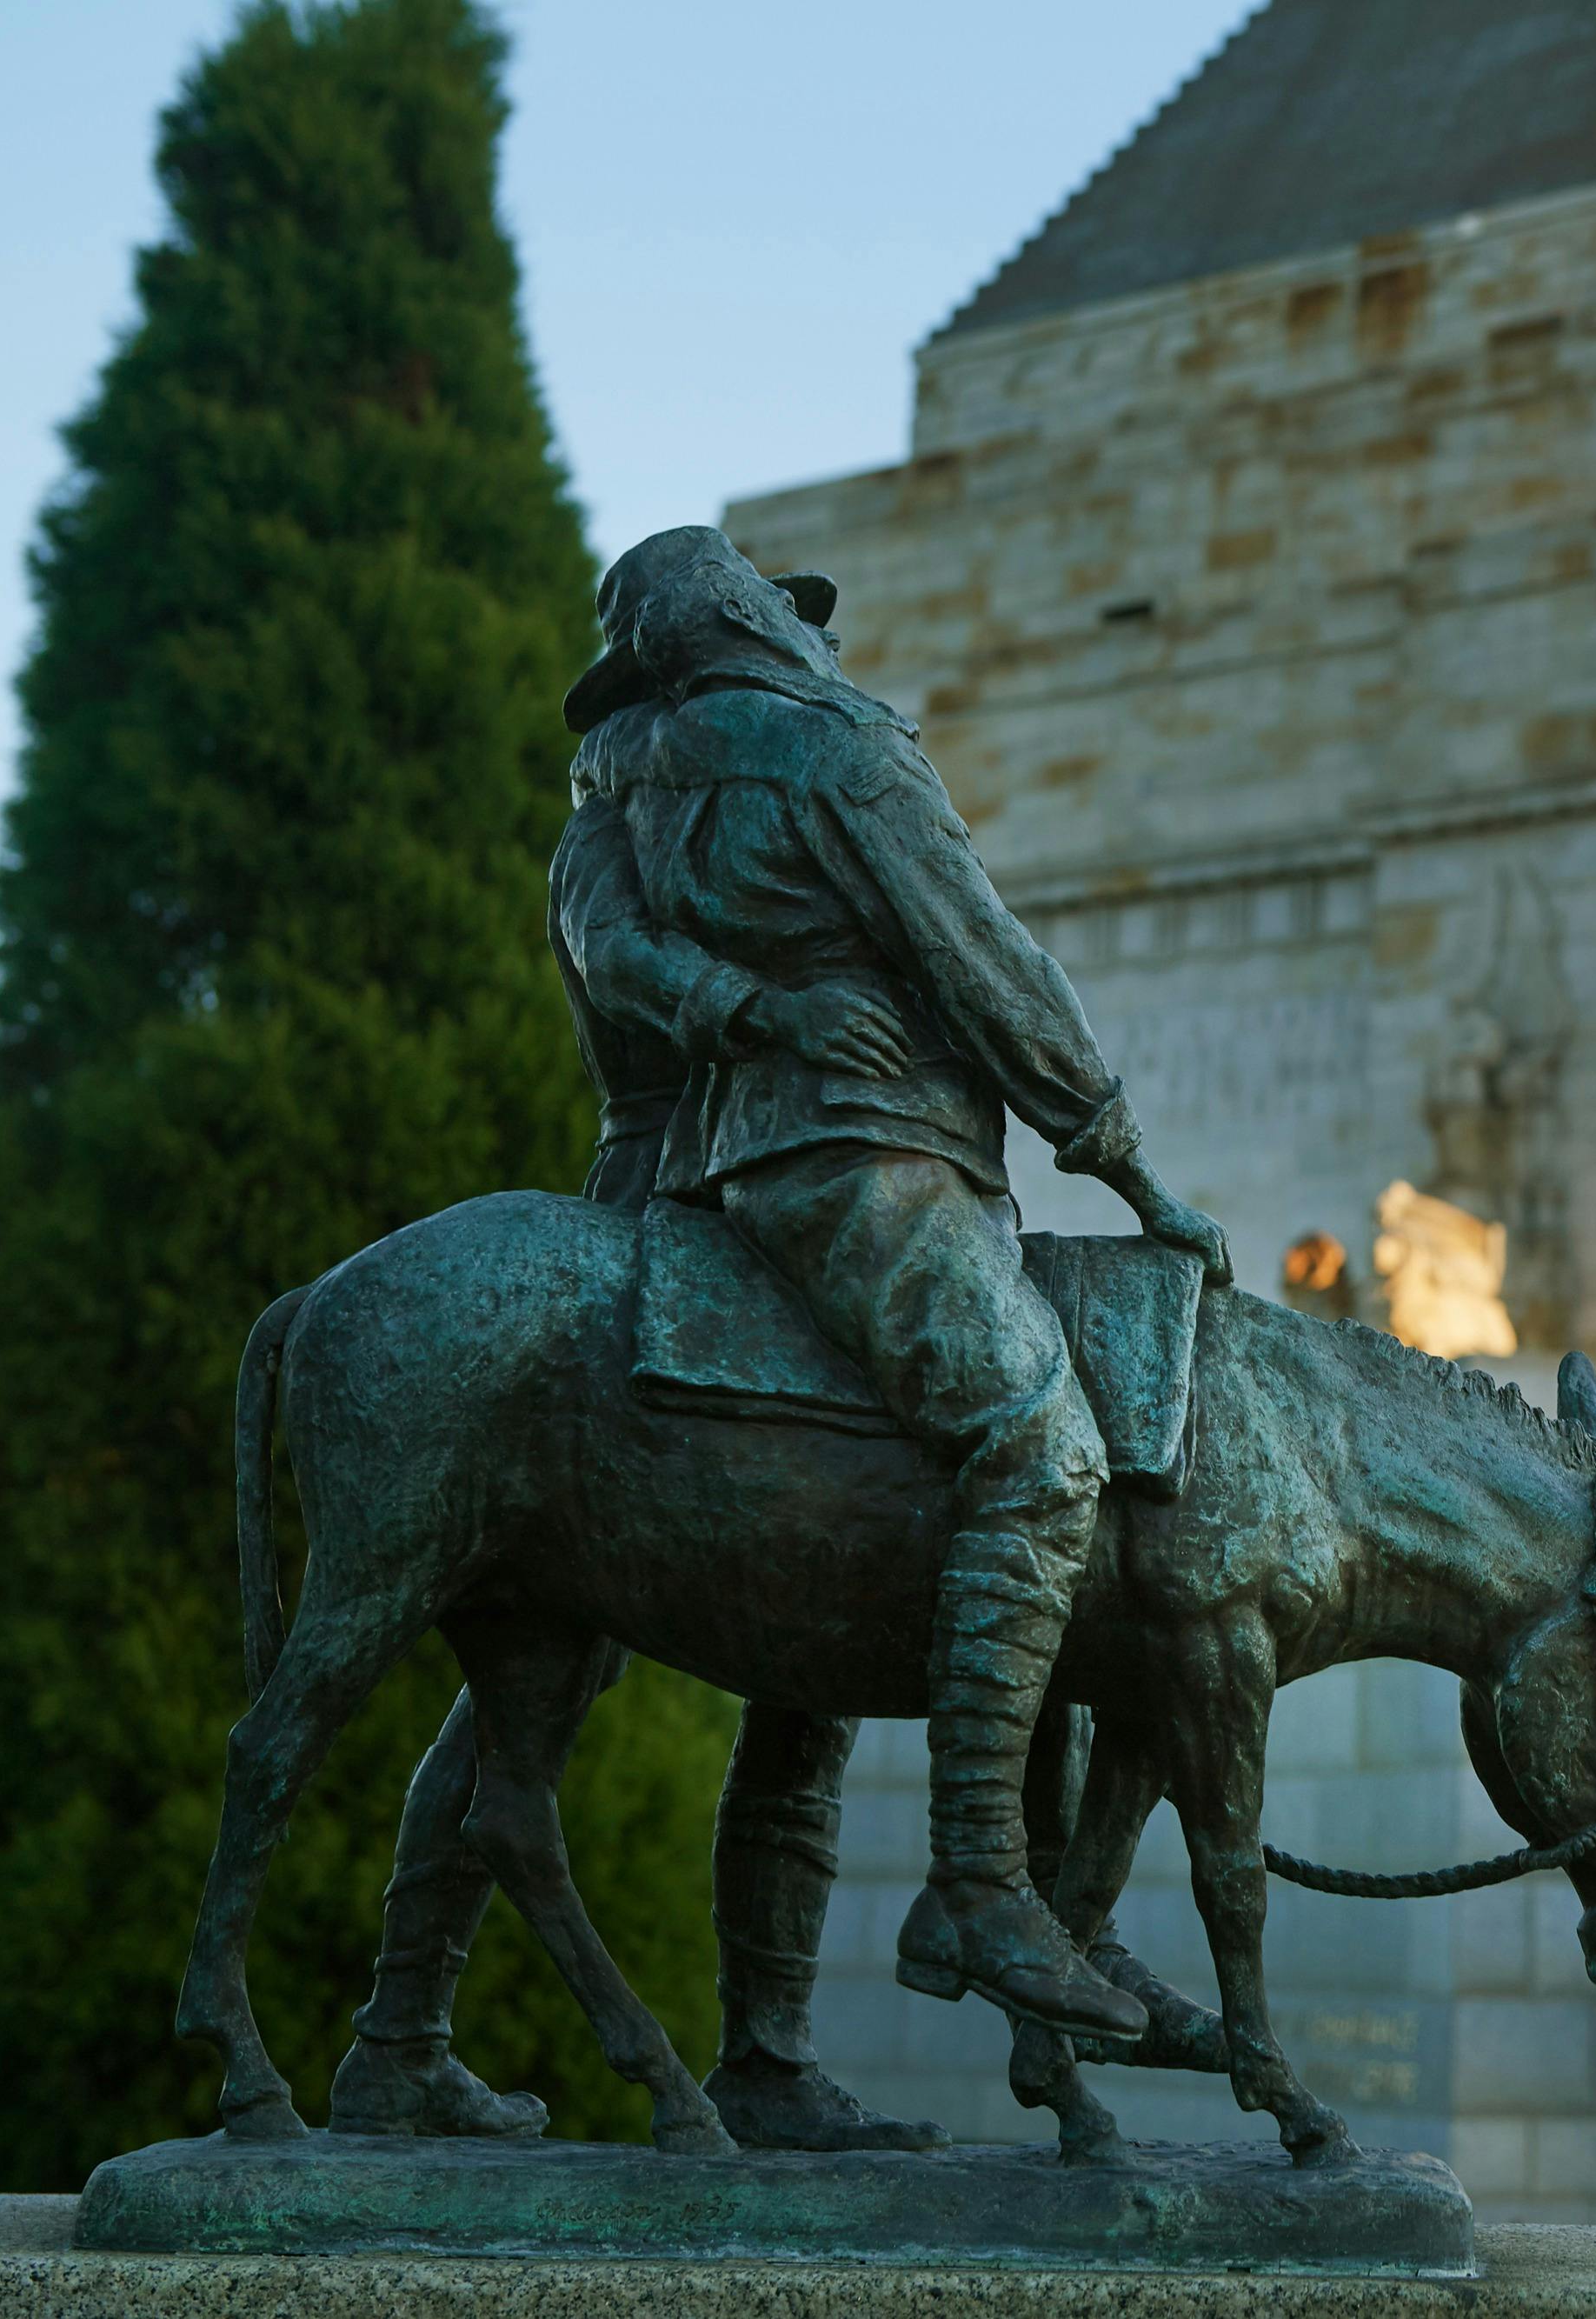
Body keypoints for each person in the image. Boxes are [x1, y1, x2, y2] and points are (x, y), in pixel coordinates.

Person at [565, 526, 1227, 2042]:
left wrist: (737, 1009)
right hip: (868, 1162)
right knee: (1046, 1459)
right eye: (804, 621)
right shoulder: (836, 750)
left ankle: (773, 2057)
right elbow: (984, 962)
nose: (831, 645)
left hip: (713, 1184)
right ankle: (986, 1886)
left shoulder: (622, 786)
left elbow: (625, 978)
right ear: (755, 622)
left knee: (803, 1668)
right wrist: (1127, 1169)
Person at [326, 582, 941, 2146]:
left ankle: (775, 2058)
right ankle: (401, 2028)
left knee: (831, 1644)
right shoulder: (616, 836)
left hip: (791, 1209)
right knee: (540, 1673)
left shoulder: (752, 800)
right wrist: (777, 1003)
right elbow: (630, 976)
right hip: (665, 1215)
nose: (801, 662)